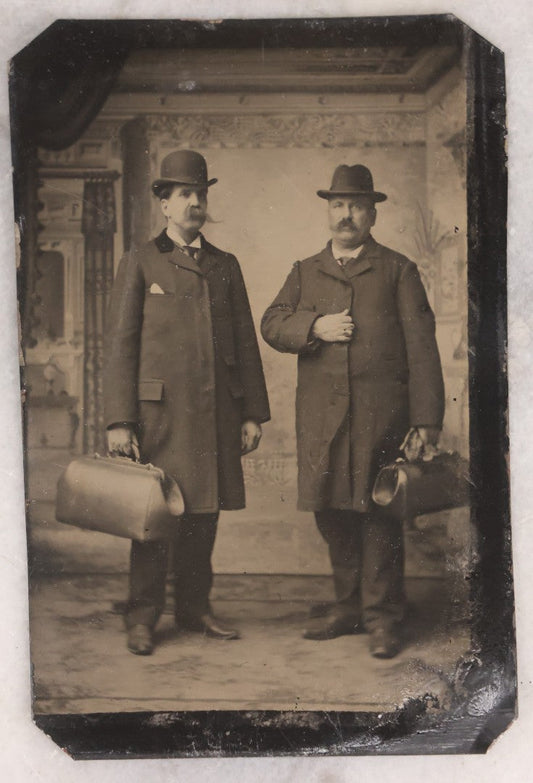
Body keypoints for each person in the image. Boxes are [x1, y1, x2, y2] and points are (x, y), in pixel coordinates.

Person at [261, 164, 444, 658]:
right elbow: (272, 323)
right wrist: (314, 326)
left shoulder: (398, 270)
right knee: (331, 513)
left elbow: (423, 348)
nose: (347, 215)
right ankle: (347, 607)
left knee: (378, 514)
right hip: (322, 419)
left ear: (373, 213)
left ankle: (383, 616)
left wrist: (426, 420)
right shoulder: (305, 270)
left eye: (357, 206)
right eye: (339, 205)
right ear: (328, 210)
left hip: (381, 418)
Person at [104, 149, 270, 655]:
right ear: (165, 204)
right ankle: (143, 615)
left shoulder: (225, 265)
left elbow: (244, 343)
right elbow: (120, 348)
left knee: (204, 516)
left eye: (201, 194)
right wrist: (119, 421)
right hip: (159, 419)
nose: (195, 202)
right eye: (185, 194)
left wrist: (252, 413)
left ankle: (195, 610)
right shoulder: (139, 262)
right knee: (154, 517)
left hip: (216, 415)